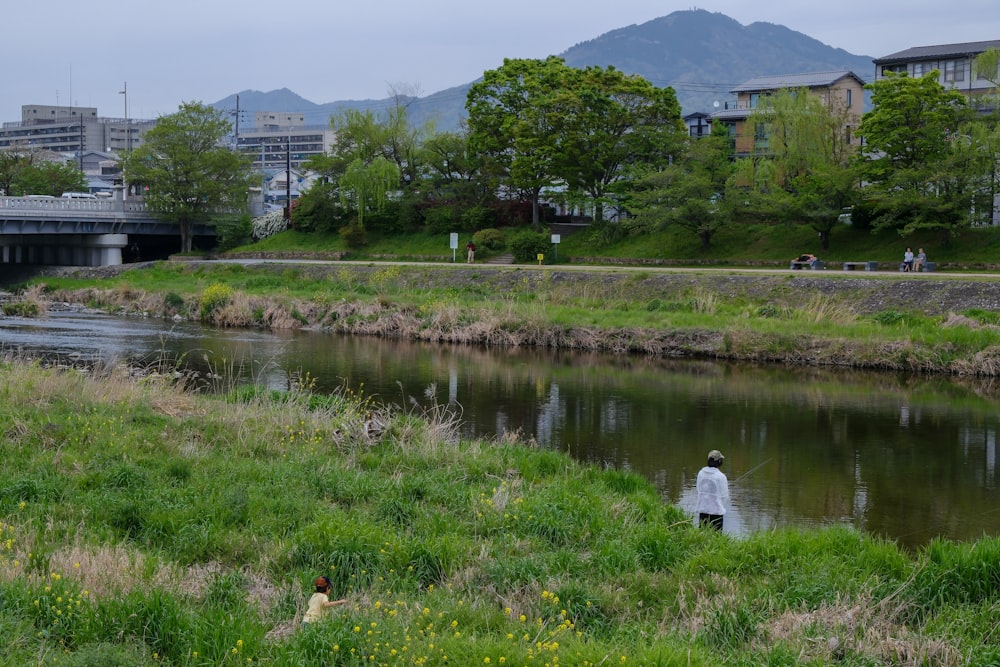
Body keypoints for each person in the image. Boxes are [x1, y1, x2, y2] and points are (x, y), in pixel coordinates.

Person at [695, 449, 729, 531]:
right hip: (717, 513)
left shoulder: (701, 473)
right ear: (719, 461)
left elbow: (698, 490)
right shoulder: (721, 476)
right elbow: (724, 497)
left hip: (703, 511)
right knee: (716, 538)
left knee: (702, 535)